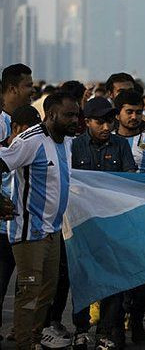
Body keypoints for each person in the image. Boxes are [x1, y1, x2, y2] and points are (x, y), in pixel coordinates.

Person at [0, 92, 79, 350]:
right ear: (52, 114)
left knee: (47, 294)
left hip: (53, 232)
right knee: (29, 295)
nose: (74, 120)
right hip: (29, 233)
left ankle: (34, 339)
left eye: (76, 114)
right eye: (69, 115)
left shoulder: (66, 141)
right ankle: (23, 343)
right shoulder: (29, 141)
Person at [70, 96, 137, 349]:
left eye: (109, 121)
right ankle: (81, 330)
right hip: (83, 225)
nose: (106, 127)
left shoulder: (121, 145)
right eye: (100, 122)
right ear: (87, 122)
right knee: (82, 278)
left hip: (114, 223)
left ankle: (107, 331)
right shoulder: (74, 147)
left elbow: (130, 179)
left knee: (114, 279)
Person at [0, 106, 45, 344]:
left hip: (26, 231)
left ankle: (20, 331)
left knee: (26, 288)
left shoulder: (31, 150)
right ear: (16, 128)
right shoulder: (9, 152)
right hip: (4, 232)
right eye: (27, 131)